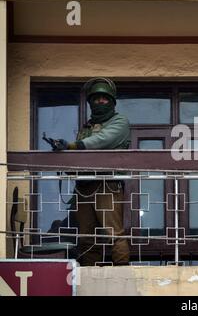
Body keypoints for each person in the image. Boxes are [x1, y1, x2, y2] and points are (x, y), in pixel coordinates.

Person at [52, 77, 131, 266]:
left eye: (104, 98)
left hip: (107, 185)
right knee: (86, 237)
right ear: (90, 102)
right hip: (84, 187)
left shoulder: (120, 122)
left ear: (112, 101)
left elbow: (102, 141)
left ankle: (122, 272)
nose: (100, 102)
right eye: (96, 99)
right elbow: (79, 157)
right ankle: (88, 272)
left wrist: (73, 145)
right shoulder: (86, 128)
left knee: (113, 233)